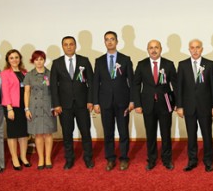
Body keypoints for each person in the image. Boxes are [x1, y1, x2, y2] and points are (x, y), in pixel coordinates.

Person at [50, 36, 95, 170]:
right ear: (62, 46)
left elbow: (91, 83)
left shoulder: (84, 60)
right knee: (67, 134)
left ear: (75, 46)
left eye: (71, 44)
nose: (69, 47)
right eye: (66, 44)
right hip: (64, 106)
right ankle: (69, 159)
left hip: (82, 104)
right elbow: (53, 86)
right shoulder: (57, 63)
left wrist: (90, 100)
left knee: (85, 132)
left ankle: (88, 158)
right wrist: (56, 104)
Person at [93, 31, 135, 171]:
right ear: (104, 42)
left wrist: (132, 101)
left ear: (117, 41)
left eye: (112, 39)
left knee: (123, 132)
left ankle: (124, 158)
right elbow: (95, 83)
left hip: (123, 102)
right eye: (107, 39)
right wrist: (96, 102)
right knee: (108, 132)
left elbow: (132, 82)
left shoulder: (125, 59)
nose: (110, 42)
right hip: (105, 102)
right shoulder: (99, 61)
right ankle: (110, 159)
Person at [132, 40, 177, 170]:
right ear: (147, 50)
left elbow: (175, 84)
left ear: (161, 49)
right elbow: (136, 85)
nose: (153, 50)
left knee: (166, 134)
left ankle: (167, 159)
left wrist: (177, 103)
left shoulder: (168, 64)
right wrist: (137, 104)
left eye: (156, 47)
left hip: (165, 104)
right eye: (151, 48)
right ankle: (151, 159)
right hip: (147, 104)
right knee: (150, 134)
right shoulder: (142, 65)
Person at [175, 39, 213, 172]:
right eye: (192, 47)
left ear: (202, 49)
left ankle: (208, 161)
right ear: (189, 50)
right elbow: (179, 87)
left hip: (205, 107)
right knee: (191, 136)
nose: (195, 50)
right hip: (189, 107)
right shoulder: (182, 65)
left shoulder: (209, 64)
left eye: (198, 47)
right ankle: (192, 160)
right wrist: (179, 106)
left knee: (207, 135)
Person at [24, 50, 57, 170]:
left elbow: (55, 91)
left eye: (41, 59)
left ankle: (48, 158)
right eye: (36, 59)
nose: (39, 62)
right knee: (38, 134)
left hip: (48, 107)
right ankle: (41, 158)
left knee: (48, 133)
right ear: (33, 61)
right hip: (35, 107)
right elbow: (27, 92)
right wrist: (27, 108)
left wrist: (56, 106)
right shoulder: (29, 75)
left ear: (44, 60)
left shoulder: (50, 74)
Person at [1, 49, 30, 170]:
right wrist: (9, 108)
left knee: (23, 133)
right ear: (8, 60)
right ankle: (14, 158)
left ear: (20, 59)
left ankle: (23, 156)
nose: (14, 60)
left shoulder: (25, 72)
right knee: (13, 134)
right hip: (11, 107)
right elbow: (5, 91)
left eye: (16, 57)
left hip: (24, 106)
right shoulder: (5, 73)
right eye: (11, 58)